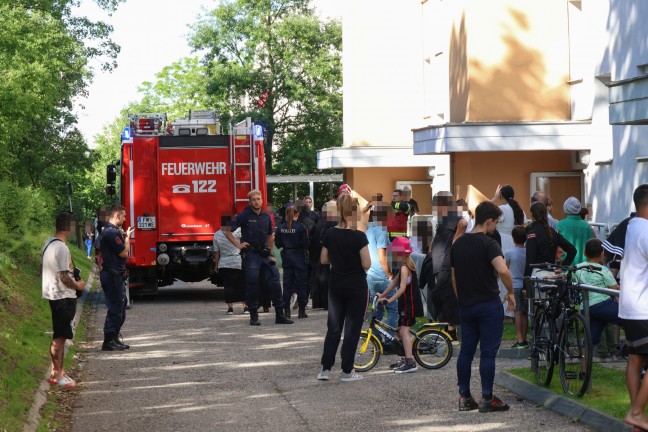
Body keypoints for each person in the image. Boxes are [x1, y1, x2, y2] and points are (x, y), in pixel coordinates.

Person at [451, 200, 515, 412]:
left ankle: (464, 397)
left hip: (466, 305)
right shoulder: (489, 244)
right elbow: (503, 271)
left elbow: (454, 277)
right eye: (495, 222)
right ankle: (487, 398)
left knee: (466, 351)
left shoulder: (458, 243)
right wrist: (511, 292)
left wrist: (462, 298)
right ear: (488, 221)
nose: (495, 226)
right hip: (488, 305)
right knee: (488, 353)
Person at [317, 193, 371, 382]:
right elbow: (367, 264)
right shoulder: (359, 236)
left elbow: (324, 259)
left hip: (336, 285)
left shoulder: (330, 233)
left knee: (334, 328)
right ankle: (347, 371)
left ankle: (325, 369)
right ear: (354, 210)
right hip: (356, 286)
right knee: (352, 329)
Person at [225, 190, 293, 326]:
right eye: (254, 199)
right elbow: (225, 228)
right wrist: (238, 245)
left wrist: (271, 252)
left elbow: (270, 236)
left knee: (275, 281)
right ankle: (253, 315)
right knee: (252, 283)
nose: (257, 201)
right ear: (250, 202)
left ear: (262, 200)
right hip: (251, 254)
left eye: (258, 199)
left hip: (265, 254)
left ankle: (280, 315)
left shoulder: (267, 217)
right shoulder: (243, 216)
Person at [42, 211, 86, 388]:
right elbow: (64, 277)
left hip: (54, 294)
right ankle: (59, 375)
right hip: (63, 296)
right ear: (68, 227)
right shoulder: (62, 248)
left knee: (59, 334)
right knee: (60, 337)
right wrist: (78, 285)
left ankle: (56, 372)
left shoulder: (49, 243)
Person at [618, 185, 648, 430]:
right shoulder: (646, 231)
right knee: (637, 359)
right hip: (644, 306)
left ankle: (636, 419)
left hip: (629, 305)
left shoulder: (631, 225)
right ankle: (637, 413)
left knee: (635, 359)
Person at [378, 237, 424, 373]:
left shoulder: (405, 268)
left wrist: (389, 300)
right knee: (399, 332)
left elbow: (402, 288)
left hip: (410, 305)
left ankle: (410, 362)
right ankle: (405, 358)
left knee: (404, 331)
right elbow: (393, 284)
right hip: (405, 305)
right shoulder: (401, 267)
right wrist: (382, 295)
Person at [574, 239, 620, 348]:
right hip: (603, 305)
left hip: (586, 307)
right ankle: (636, 348)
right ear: (602, 253)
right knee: (629, 317)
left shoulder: (577, 268)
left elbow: (567, 277)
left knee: (590, 340)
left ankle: (585, 363)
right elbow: (615, 288)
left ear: (584, 252)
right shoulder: (603, 270)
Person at [99, 204, 134, 351]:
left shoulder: (111, 231)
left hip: (116, 274)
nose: (125, 219)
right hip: (112, 275)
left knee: (120, 306)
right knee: (115, 307)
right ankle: (108, 340)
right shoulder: (111, 232)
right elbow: (123, 253)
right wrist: (128, 238)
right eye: (124, 216)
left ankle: (114, 337)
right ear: (117, 215)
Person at [363, 201, 397, 347]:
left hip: (369, 275)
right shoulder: (382, 231)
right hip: (381, 276)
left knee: (376, 310)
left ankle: (376, 341)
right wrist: (390, 275)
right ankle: (389, 342)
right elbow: (382, 257)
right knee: (393, 310)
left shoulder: (368, 229)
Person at [429, 192, 461, 340]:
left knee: (447, 297)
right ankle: (445, 328)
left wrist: (456, 240)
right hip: (439, 263)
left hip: (445, 263)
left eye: (435, 205)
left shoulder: (452, 216)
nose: (434, 208)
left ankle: (451, 332)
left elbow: (464, 224)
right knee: (440, 295)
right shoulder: (445, 219)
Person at [492, 184, 526, 318]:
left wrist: (494, 198)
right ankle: (514, 309)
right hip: (515, 242)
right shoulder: (519, 210)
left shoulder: (501, 209)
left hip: (502, 242)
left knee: (501, 275)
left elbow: (484, 211)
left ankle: (505, 309)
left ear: (501, 196)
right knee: (514, 275)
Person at [524, 202, 577, 278]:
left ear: (532, 215)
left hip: (537, 276)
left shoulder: (532, 234)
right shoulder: (552, 232)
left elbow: (529, 261)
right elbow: (572, 250)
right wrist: (562, 267)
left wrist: (525, 285)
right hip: (552, 275)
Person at [276, 205, 310, 319]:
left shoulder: (281, 227)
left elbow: (278, 244)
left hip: (287, 258)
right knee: (301, 284)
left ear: (286, 214)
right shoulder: (301, 227)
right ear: (297, 214)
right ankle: (301, 310)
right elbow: (306, 244)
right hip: (299, 258)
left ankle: (286, 311)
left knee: (287, 285)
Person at [504, 226, 528, 349]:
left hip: (515, 285)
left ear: (513, 238)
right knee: (525, 313)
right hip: (526, 285)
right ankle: (525, 338)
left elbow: (506, 271)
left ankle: (520, 340)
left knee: (517, 313)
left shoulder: (509, 253)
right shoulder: (528, 252)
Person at [213, 226, 246, 315]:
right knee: (241, 284)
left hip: (224, 262)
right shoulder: (238, 231)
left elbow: (216, 251)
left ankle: (230, 309)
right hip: (237, 261)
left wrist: (216, 264)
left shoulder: (217, 234)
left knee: (228, 286)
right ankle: (245, 307)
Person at [557, 196, 595, 265]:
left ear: (565, 209)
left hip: (565, 267)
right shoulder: (588, 227)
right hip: (584, 269)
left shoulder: (559, 225)